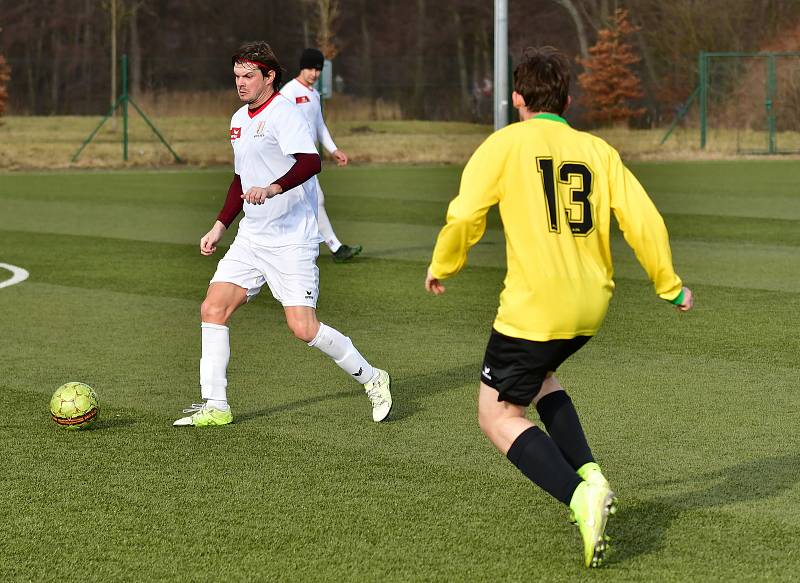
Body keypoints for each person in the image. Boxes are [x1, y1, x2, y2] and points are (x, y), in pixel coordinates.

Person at [424, 46, 693, 568]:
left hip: (535, 308)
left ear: (516, 98)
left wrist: (444, 263)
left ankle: (577, 496)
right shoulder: (597, 150)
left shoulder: (504, 145)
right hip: (590, 307)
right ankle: (592, 474)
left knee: (497, 414)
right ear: (567, 100)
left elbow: (464, 216)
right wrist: (669, 284)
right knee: (541, 374)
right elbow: (646, 221)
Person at [174, 41, 392, 428]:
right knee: (212, 309)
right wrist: (220, 225)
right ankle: (216, 404)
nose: (240, 83)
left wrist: (273, 188)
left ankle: (373, 377)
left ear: (269, 76)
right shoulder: (238, 118)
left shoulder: (284, 113)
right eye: (237, 75)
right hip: (251, 237)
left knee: (303, 328)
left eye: (249, 76)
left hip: (292, 238)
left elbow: (311, 162)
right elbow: (240, 178)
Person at [280, 48, 362, 262]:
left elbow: (319, 126)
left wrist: (333, 149)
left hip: (305, 160)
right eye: (310, 68)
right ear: (302, 67)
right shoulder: (289, 92)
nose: (315, 74)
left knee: (305, 202)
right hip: (290, 159)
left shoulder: (315, 94)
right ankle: (335, 248)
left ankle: (327, 248)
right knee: (312, 200)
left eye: (318, 69)